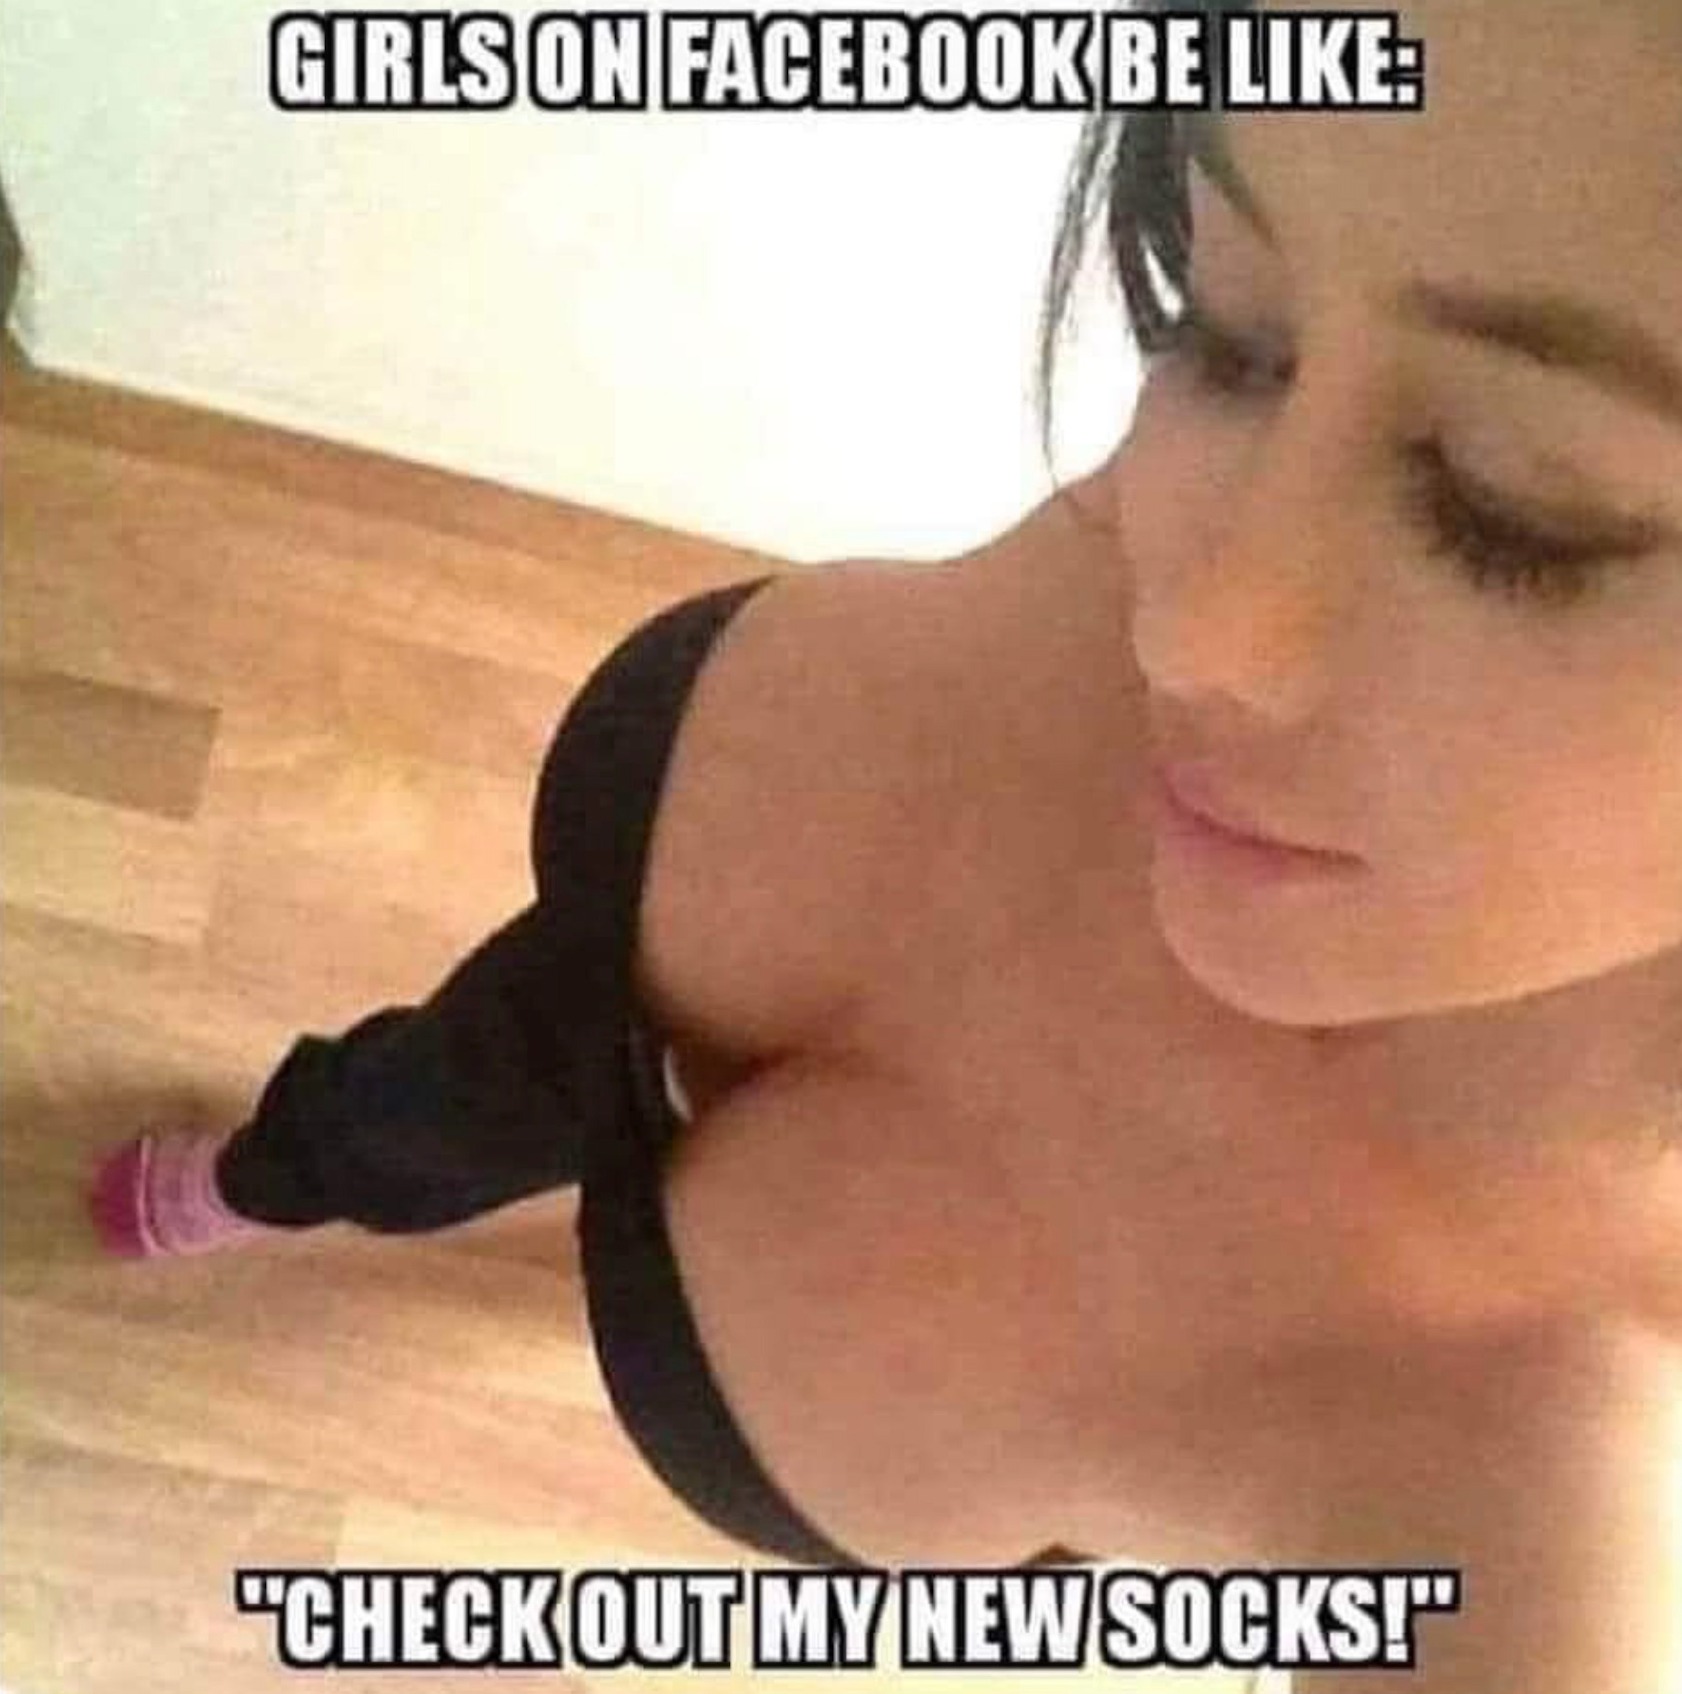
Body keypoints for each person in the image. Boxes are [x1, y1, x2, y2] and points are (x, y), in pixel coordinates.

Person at [90, 0, 1682, 1685]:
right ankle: (281, 1170)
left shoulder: (1550, 1458)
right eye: (1228, 329)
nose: (1184, 626)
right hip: (640, 877)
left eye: (1513, 507)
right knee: (406, 1103)